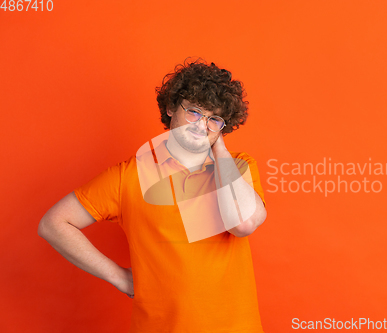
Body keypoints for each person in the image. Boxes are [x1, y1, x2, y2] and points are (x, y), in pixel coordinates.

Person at [38, 59, 268, 333]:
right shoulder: (127, 177)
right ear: (171, 107)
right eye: (194, 112)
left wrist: (219, 151)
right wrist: (119, 276)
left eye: (214, 119)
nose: (201, 125)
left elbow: (242, 224)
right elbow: (53, 223)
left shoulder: (238, 166)